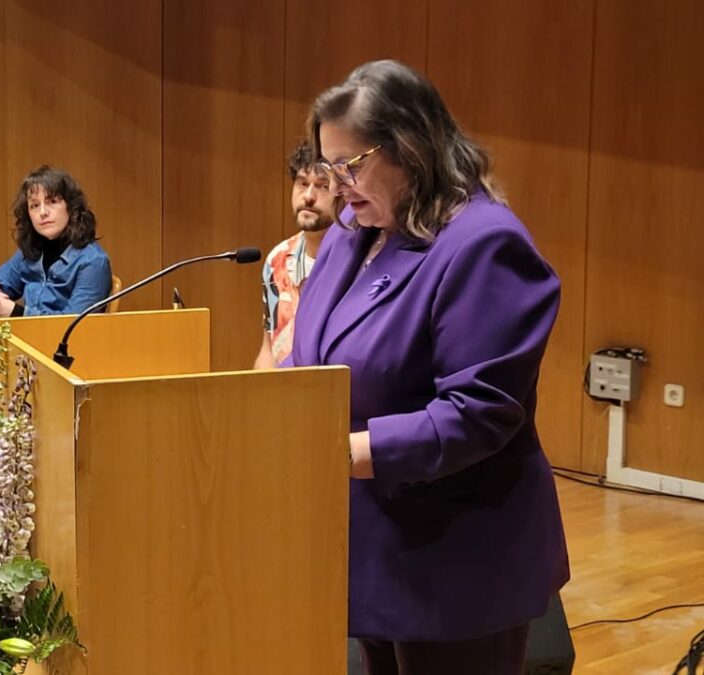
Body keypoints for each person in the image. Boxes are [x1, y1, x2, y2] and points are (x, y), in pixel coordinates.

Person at [288, 60, 569, 674]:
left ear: (412, 147)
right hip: (372, 547)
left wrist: (338, 451)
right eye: (328, 166)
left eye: (350, 164)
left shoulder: (483, 244)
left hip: (457, 561)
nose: (337, 184)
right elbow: (317, 349)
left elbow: (478, 413)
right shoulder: (351, 230)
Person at [0, 166, 112, 438]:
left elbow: (73, 326)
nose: (42, 212)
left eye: (52, 202)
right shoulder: (31, 253)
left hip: (58, 361)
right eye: (34, 205)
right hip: (17, 347)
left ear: (71, 207)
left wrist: (14, 312)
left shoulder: (93, 261)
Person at [253, 140, 338, 369]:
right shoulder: (277, 259)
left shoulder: (356, 263)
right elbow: (268, 348)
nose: (308, 196)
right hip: (283, 394)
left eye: (322, 186)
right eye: (302, 183)